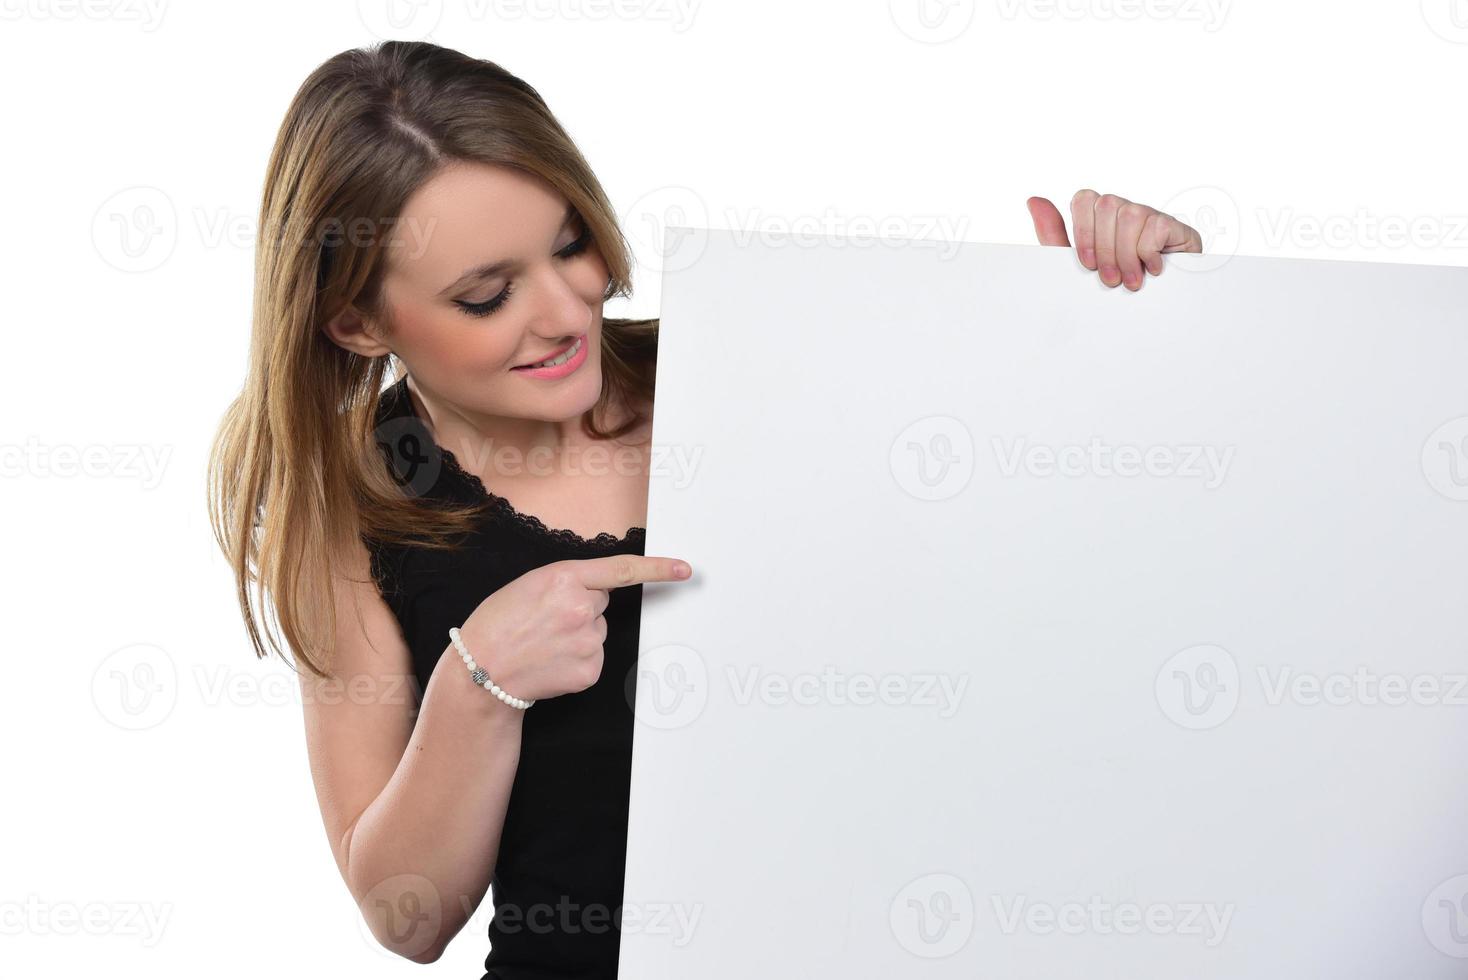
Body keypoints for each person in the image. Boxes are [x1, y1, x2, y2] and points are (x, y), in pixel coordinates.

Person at [206, 39, 1203, 978]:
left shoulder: (745, 358)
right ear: (357, 320)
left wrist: (1128, 310)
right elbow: (407, 919)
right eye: (486, 294)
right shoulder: (353, 512)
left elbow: (1060, 575)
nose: (564, 310)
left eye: (570, 244)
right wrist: (478, 685)